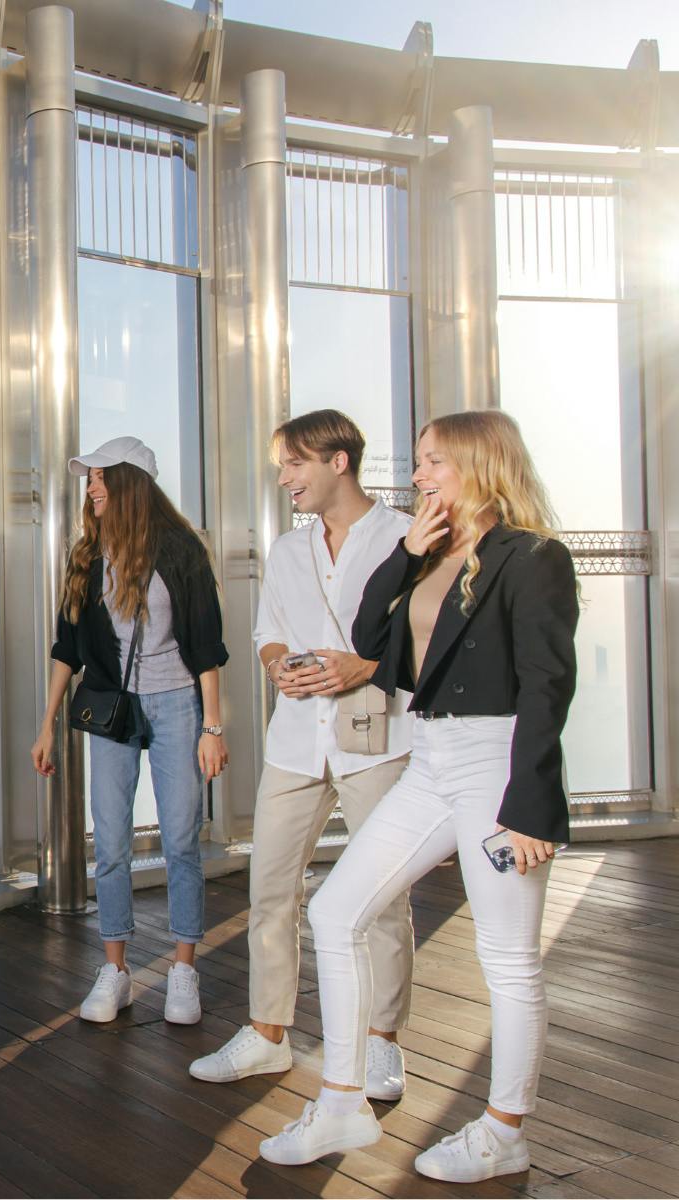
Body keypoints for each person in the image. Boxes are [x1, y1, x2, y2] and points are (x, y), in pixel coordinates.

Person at [258, 411, 578, 1183]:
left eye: (433, 461)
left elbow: (548, 687)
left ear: (476, 463)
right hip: (432, 759)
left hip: (496, 762)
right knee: (336, 911)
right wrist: (405, 552)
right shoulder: (430, 550)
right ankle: (342, 1102)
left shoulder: (533, 557)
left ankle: (505, 1132)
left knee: (507, 960)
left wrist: (530, 807)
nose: (419, 474)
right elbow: (372, 637)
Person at [190, 410, 414, 1098]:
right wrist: (281, 662)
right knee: (270, 890)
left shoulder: (406, 536)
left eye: (294, 463)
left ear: (337, 461)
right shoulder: (287, 550)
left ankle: (381, 1043)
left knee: (384, 896)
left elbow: (427, 634)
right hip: (295, 739)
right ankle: (267, 1035)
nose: (283, 476)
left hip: (376, 735)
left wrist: (366, 666)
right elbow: (268, 630)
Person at [31, 436, 229, 1025]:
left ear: (131, 484)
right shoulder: (86, 556)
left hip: (176, 706)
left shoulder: (181, 550)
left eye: (100, 478)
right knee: (111, 843)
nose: (91, 489)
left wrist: (212, 727)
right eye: (89, 479)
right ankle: (114, 969)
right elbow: (67, 648)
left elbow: (208, 647)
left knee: (180, 841)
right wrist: (46, 725)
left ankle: (184, 970)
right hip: (112, 709)